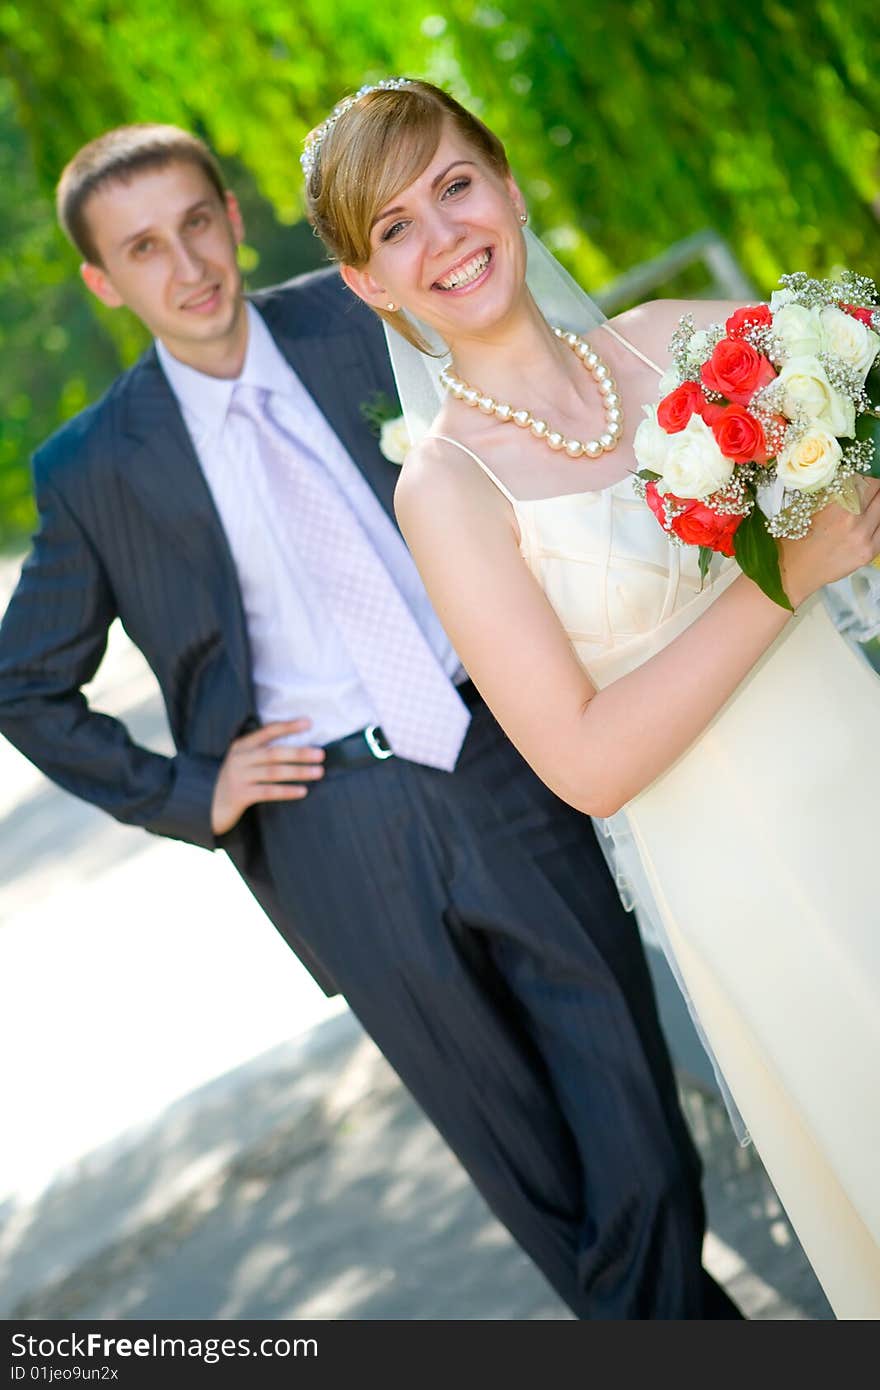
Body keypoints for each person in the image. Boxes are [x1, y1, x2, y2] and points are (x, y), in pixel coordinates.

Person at [0, 124, 740, 1321]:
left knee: (641, 1145)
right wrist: (190, 790)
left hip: (501, 758)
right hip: (330, 834)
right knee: (537, 1179)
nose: (184, 263)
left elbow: (547, 413)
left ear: (234, 218)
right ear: (103, 281)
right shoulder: (96, 467)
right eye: (142, 248)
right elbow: (22, 682)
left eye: (197, 222)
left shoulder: (370, 318)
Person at [306, 78, 880, 1319]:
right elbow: (582, 764)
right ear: (368, 286)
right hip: (756, 871)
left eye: (455, 185)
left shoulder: (679, 335)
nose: (443, 233)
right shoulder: (450, 492)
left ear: (506, 188)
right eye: (393, 226)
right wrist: (788, 573)